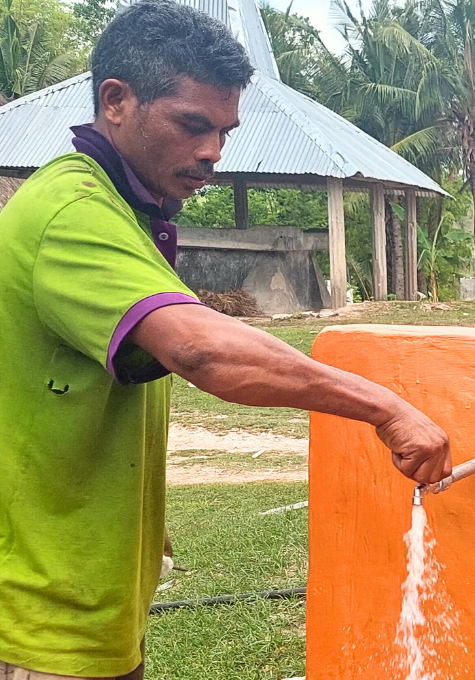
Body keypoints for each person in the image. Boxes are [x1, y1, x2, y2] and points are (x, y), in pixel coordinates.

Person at [0, 2, 452, 678]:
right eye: (192, 125)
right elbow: (204, 350)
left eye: (223, 130)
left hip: (87, 594)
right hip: (40, 621)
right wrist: (385, 408)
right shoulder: (74, 212)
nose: (212, 150)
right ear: (115, 101)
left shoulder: (125, 210)